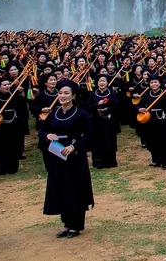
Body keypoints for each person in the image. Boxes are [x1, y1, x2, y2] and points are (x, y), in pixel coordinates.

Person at [38, 80, 94, 238]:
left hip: (75, 158)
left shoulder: (81, 113)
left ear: (73, 95)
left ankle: (76, 225)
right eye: (60, 93)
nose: (62, 96)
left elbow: (90, 134)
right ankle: (66, 223)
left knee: (75, 189)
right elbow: (42, 131)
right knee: (61, 189)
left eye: (66, 93)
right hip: (57, 156)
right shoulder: (54, 113)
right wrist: (47, 135)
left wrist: (74, 146)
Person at [85, 75, 120, 169]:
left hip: (109, 120)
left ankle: (110, 161)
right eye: (100, 81)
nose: (102, 83)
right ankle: (98, 161)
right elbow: (88, 106)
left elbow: (116, 105)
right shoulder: (93, 94)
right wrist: (97, 105)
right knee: (97, 140)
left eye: (104, 81)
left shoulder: (111, 93)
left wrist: (108, 108)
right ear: (97, 83)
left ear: (107, 83)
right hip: (96, 121)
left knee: (109, 139)